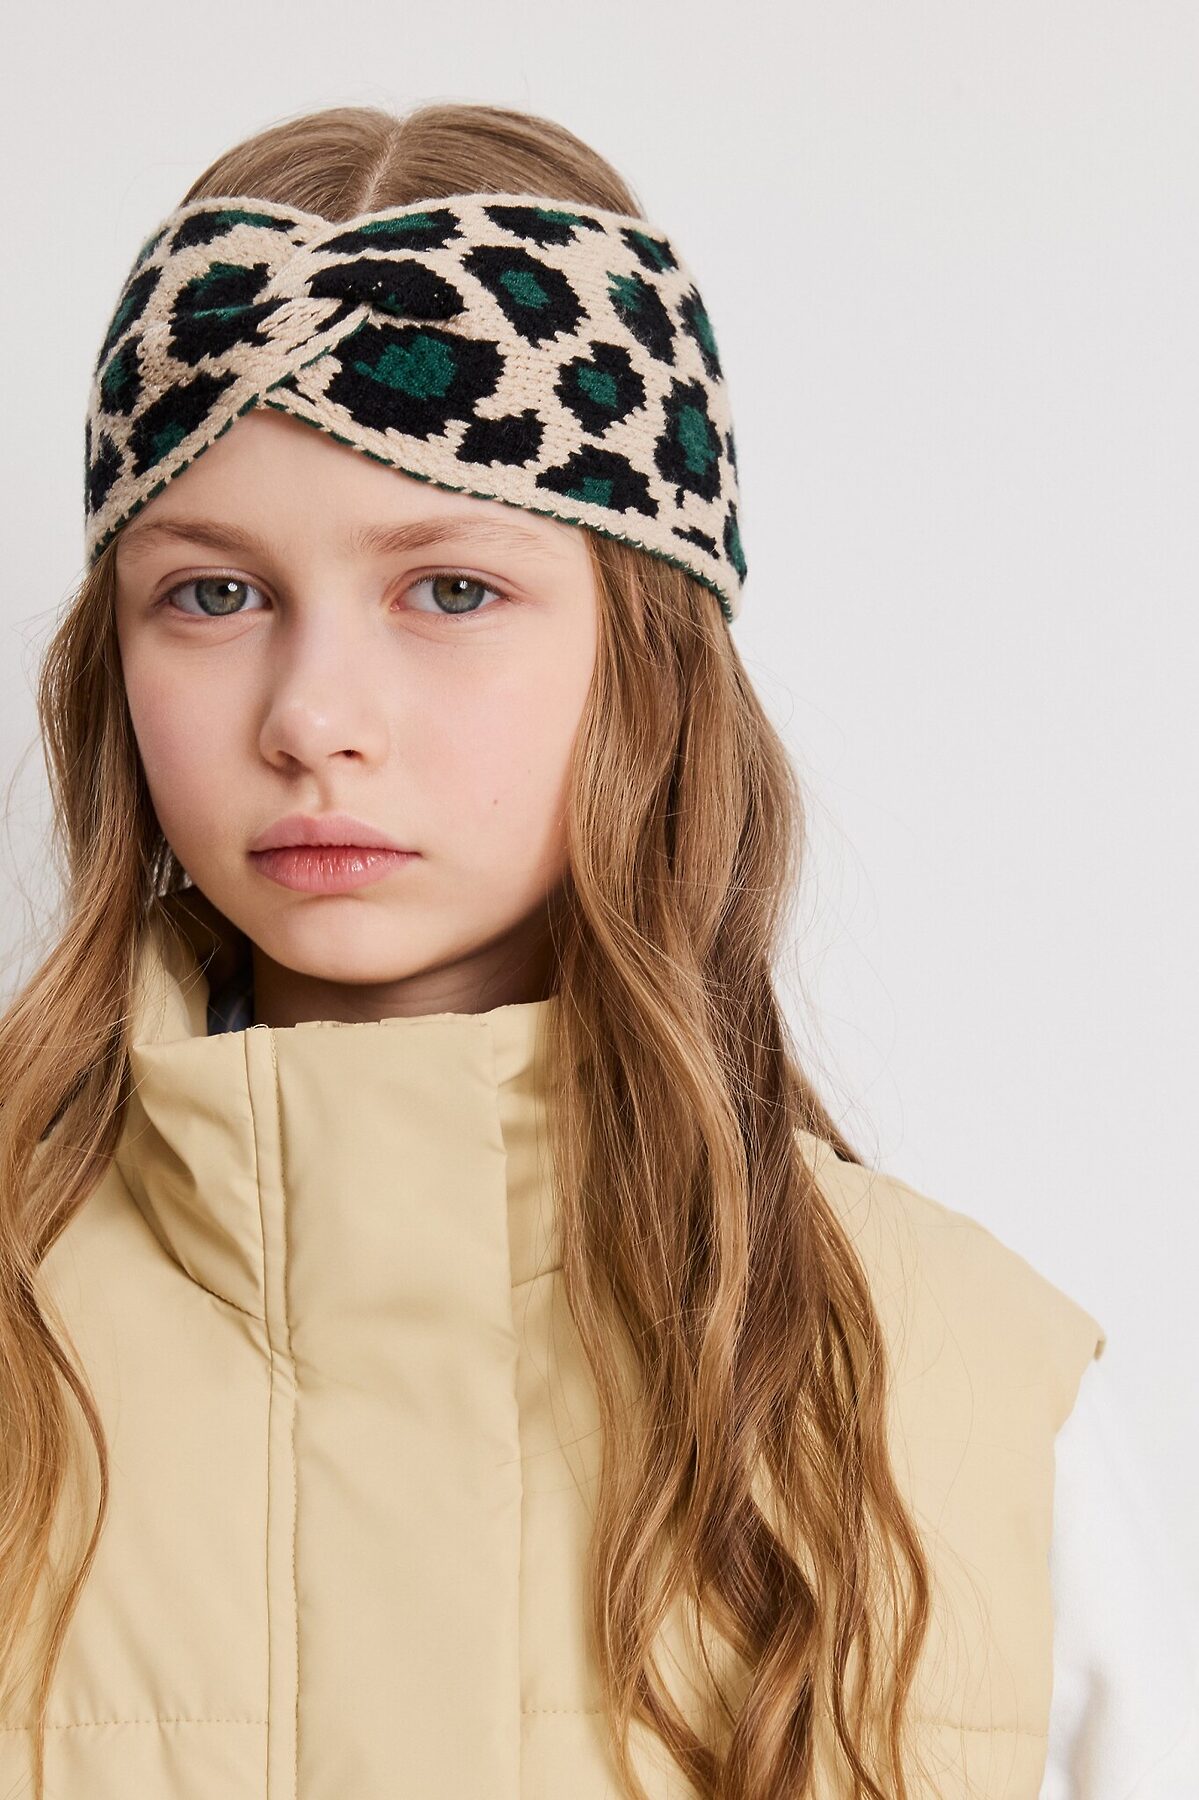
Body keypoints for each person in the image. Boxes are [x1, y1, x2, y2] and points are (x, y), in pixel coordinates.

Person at [0, 99, 1193, 1800]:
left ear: (646, 651)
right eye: (215, 594)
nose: (314, 716)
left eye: (451, 591)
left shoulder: (974, 1403)